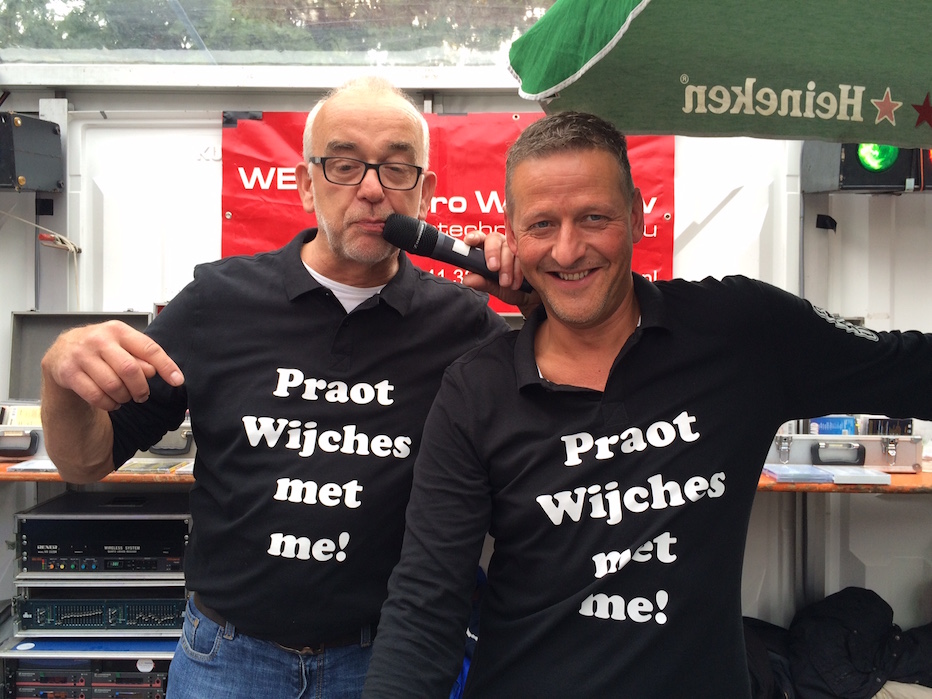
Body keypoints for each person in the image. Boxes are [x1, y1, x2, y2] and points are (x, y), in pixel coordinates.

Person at [361, 111, 932, 698]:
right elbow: (426, 602)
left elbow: (910, 368)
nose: (567, 249)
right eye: (542, 225)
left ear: (636, 214)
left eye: (594, 218)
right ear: (512, 234)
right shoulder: (476, 390)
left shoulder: (740, 333)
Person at [39, 76, 529, 699]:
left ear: (425, 192)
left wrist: (540, 299)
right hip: (226, 661)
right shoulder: (217, 303)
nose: (371, 189)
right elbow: (83, 462)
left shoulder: (465, 326)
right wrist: (60, 377)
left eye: (397, 169)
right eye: (344, 165)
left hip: (386, 664)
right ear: (304, 183)